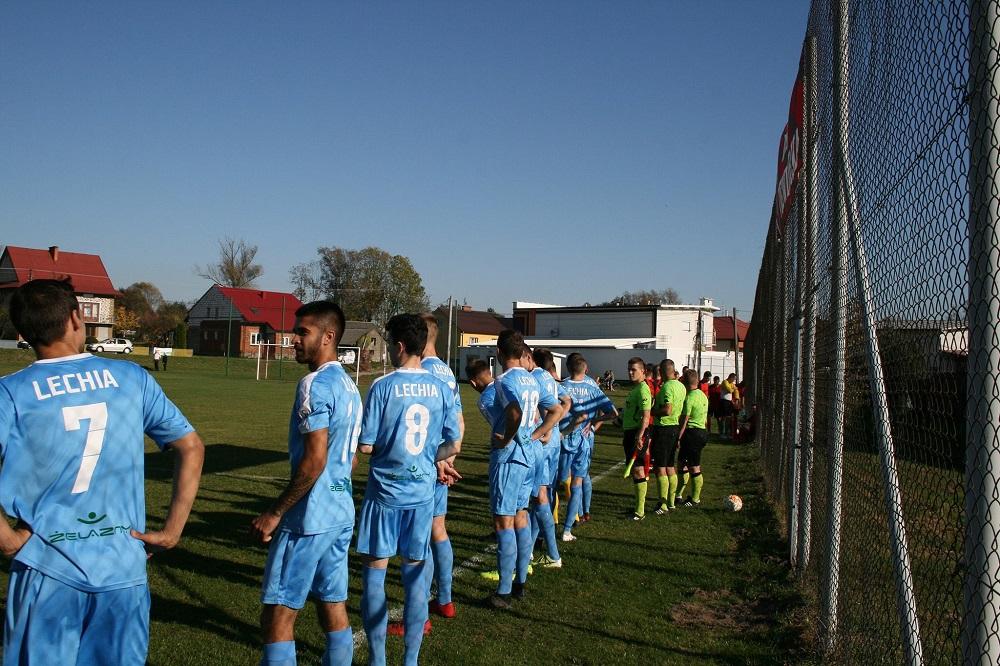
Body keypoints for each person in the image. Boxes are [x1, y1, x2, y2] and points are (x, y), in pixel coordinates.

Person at [0, 279, 205, 664]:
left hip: (47, 569)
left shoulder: (11, 392)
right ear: (77, 318)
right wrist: (172, 530)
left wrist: (9, 541)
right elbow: (191, 446)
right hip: (122, 570)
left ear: (23, 333)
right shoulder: (131, 378)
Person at [251, 301, 361, 666]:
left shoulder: (314, 385)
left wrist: (276, 511)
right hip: (341, 510)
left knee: (278, 614)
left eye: (303, 332)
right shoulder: (349, 385)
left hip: (309, 519)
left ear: (328, 337)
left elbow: (315, 461)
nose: (293, 340)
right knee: (333, 604)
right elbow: (351, 457)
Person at [356, 314, 462, 666]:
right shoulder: (439, 387)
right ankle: (411, 661)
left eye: (387, 343)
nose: (386, 350)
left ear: (399, 346)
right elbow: (452, 443)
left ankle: (377, 660)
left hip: (384, 496)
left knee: (376, 575)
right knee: (416, 577)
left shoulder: (382, 387)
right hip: (421, 497)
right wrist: (434, 458)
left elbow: (367, 446)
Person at [488, 331, 560, 607]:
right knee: (520, 517)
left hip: (509, 459)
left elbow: (515, 413)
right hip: (531, 458)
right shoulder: (533, 379)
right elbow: (555, 410)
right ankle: (519, 584)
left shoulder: (503, 381)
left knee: (503, 521)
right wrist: (538, 433)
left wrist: (505, 438)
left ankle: (503, 592)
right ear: (521, 353)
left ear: (499, 353)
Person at [402, 313, 465, 627]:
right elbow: (459, 423)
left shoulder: (422, 371)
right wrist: (450, 458)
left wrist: (438, 461)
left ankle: (419, 616)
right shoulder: (448, 372)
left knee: (419, 539)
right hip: (443, 460)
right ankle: (445, 600)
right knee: (437, 530)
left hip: (424, 465)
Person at [559, 354, 617, 539]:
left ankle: (548, 524)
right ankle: (568, 528)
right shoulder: (592, 387)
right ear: (585, 369)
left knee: (555, 484)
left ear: (569, 369)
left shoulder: (561, 387)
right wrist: (594, 420)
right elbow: (613, 413)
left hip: (563, 439)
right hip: (584, 441)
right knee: (579, 481)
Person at [527, 348, 570, 568]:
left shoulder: (535, 378)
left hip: (544, 444)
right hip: (553, 444)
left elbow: (548, 408)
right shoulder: (550, 378)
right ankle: (531, 551)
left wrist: (548, 429)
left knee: (539, 497)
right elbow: (566, 401)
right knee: (541, 495)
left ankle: (552, 554)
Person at [650, 359, 686, 514]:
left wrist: (651, 412)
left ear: (663, 372)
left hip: (664, 428)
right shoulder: (681, 386)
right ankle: (671, 502)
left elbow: (667, 410)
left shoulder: (667, 388)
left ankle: (662, 504)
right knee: (671, 466)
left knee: (660, 468)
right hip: (674, 428)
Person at [621, 358, 653, 520]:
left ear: (643, 371)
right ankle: (638, 509)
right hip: (630, 432)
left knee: (639, 469)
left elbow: (646, 416)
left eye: (634, 369)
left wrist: (640, 435)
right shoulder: (636, 389)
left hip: (636, 433)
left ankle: (640, 512)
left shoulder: (643, 390)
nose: (630, 372)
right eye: (629, 369)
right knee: (636, 470)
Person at [677, 369, 710, 506]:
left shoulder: (689, 398)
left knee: (694, 466)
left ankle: (695, 499)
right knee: (682, 464)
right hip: (701, 431)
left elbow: (684, 420)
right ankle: (678, 494)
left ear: (684, 381)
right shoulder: (703, 396)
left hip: (692, 434)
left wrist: (678, 437)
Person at [719, 373, 739, 438]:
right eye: (734, 379)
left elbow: (736, 390)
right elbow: (729, 390)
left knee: (729, 417)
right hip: (724, 401)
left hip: (729, 402)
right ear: (731, 377)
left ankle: (727, 432)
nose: (734, 381)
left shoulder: (731, 384)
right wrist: (733, 389)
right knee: (723, 417)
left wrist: (736, 398)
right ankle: (722, 433)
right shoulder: (725, 382)